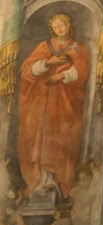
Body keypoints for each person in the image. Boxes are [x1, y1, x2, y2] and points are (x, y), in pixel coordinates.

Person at [18, 11, 90, 203]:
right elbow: (26, 69)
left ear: (69, 26)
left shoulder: (78, 47)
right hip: (41, 103)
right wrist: (48, 63)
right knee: (38, 138)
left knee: (61, 139)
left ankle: (56, 178)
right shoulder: (44, 46)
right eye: (56, 26)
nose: (59, 29)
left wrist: (61, 75)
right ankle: (39, 178)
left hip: (64, 104)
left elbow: (82, 72)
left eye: (62, 25)